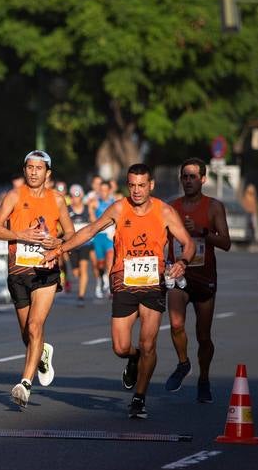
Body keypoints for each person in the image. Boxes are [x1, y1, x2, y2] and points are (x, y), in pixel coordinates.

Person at [58, 164, 193, 419]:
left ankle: (139, 398)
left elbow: (187, 243)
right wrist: (61, 249)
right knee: (121, 347)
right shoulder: (120, 208)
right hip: (125, 283)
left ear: (151, 185)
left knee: (148, 342)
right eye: (132, 185)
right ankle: (134, 359)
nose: (137, 190)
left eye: (142, 185)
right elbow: (90, 230)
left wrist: (182, 262)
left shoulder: (164, 211)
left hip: (153, 283)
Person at [0, 150, 71, 408]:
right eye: (30, 168)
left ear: (48, 173)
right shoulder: (14, 196)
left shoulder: (57, 199)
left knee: (35, 326)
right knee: (28, 334)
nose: (34, 172)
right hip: (18, 271)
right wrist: (22, 235)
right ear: (25, 170)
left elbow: (70, 234)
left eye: (39, 168)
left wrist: (58, 242)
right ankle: (43, 352)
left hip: (45, 270)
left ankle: (24, 383)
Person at [163, 158, 231, 403]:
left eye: (193, 176)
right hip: (179, 275)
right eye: (185, 176)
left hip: (204, 278)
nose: (188, 181)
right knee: (176, 324)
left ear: (203, 179)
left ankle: (204, 378)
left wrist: (202, 231)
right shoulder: (170, 207)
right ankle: (183, 363)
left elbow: (226, 243)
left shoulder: (213, 207)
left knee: (203, 336)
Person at [65, 185, 94, 306]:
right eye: (72, 196)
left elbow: (94, 223)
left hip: (85, 243)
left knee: (84, 268)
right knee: (76, 272)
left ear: (81, 196)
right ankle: (79, 283)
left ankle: (81, 296)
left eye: (77, 196)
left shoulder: (88, 209)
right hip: (72, 244)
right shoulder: (67, 210)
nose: (75, 199)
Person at [88, 180, 116, 301]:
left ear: (109, 191)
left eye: (106, 190)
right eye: (102, 190)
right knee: (100, 264)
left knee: (110, 262)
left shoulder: (114, 203)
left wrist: (114, 229)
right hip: (99, 236)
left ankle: (110, 288)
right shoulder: (95, 203)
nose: (104, 193)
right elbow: (93, 220)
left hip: (109, 237)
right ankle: (100, 279)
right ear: (99, 191)